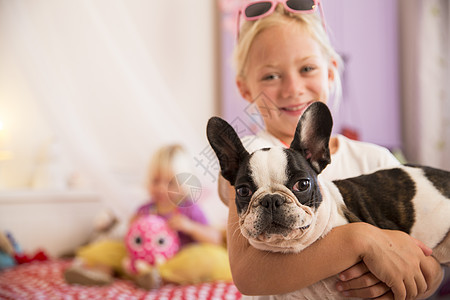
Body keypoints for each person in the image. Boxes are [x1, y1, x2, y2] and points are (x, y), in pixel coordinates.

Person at [220, 2, 444, 299]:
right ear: (245, 88)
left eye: (307, 68)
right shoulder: (251, 155)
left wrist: (427, 275)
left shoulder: (375, 159)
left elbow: (427, 254)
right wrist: (359, 239)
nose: (292, 87)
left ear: (330, 71)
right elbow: (248, 277)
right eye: (271, 76)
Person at [65, 144, 226, 287]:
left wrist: (190, 227)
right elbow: (131, 237)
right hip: (142, 260)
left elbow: (215, 239)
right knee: (111, 249)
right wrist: (133, 225)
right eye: (156, 181)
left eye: (170, 182)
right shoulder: (146, 209)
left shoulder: (188, 209)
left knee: (201, 260)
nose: (161, 188)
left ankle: (157, 278)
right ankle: (99, 273)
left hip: (175, 260)